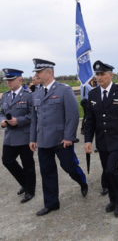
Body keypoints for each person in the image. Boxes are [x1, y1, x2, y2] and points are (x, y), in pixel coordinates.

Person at [29, 59, 88, 216]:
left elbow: (73, 115)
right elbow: (34, 118)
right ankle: (51, 203)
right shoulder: (37, 93)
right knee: (47, 172)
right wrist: (32, 138)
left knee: (69, 166)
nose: (36, 75)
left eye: (39, 72)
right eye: (36, 72)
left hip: (61, 139)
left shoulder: (64, 90)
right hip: (43, 140)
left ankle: (82, 181)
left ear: (49, 72)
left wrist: (69, 137)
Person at [85, 60, 118, 218]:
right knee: (108, 172)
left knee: (111, 169)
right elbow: (90, 120)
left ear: (110, 75)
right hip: (102, 140)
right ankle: (113, 200)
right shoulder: (93, 93)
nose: (99, 77)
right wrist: (88, 140)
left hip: (117, 139)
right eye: (97, 74)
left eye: (102, 74)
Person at [0, 68, 36, 204]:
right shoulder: (6, 95)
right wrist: (2, 122)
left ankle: (30, 190)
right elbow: (1, 112)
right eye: (7, 80)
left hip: (24, 135)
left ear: (19, 79)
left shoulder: (28, 95)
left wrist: (18, 121)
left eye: (11, 79)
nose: (8, 82)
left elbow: (33, 115)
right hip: (10, 136)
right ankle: (25, 183)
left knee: (28, 164)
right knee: (7, 160)